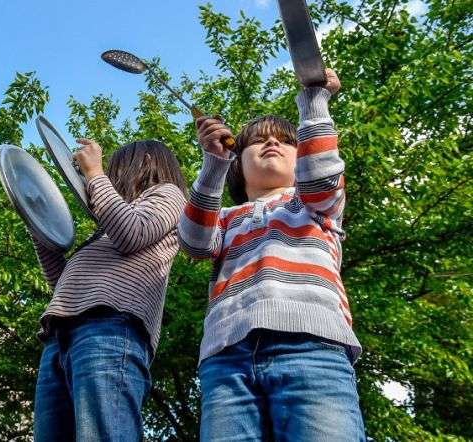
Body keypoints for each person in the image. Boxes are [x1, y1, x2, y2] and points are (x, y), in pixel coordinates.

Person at [178, 68, 366, 440]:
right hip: (225, 358)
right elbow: (194, 241)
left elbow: (321, 175)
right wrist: (214, 163)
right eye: (257, 141)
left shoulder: (314, 205)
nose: (271, 143)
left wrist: (314, 100)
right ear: (238, 162)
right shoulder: (225, 217)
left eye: (284, 140)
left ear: (302, 157)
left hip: (312, 345)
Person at [30, 139, 187, 441]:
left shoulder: (168, 195)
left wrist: (94, 173)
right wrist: (38, 223)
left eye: (115, 168)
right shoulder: (105, 231)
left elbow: (132, 233)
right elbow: (62, 283)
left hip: (110, 327)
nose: (111, 176)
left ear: (144, 161)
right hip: (61, 334)